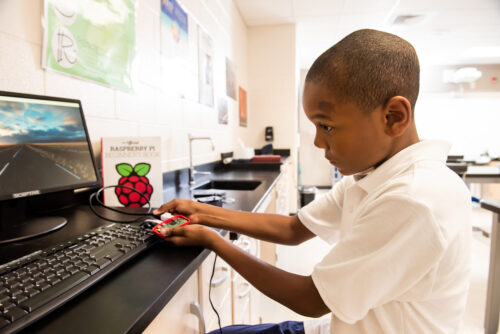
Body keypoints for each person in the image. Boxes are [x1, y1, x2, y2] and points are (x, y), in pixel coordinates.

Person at [153, 29, 472, 334]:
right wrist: (203, 212)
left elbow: (310, 298)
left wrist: (213, 240)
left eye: (327, 127)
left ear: (393, 117)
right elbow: (293, 229)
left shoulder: (413, 200)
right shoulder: (375, 172)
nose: (318, 142)